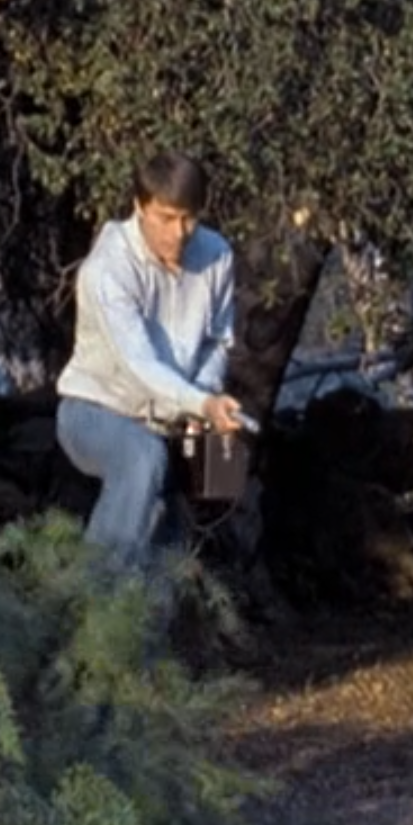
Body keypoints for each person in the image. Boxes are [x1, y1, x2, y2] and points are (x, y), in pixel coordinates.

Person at [54, 149, 246, 568]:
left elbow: (218, 341)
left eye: (189, 218)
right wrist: (201, 403)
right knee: (142, 458)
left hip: (170, 422)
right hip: (95, 412)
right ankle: (98, 601)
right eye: (165, 217)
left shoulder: (217, 256)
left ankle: (150, 627)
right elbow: (139, 365)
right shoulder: (108, 270)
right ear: (139, 207)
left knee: (170, 542)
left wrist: (207, 395)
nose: (178, 232)